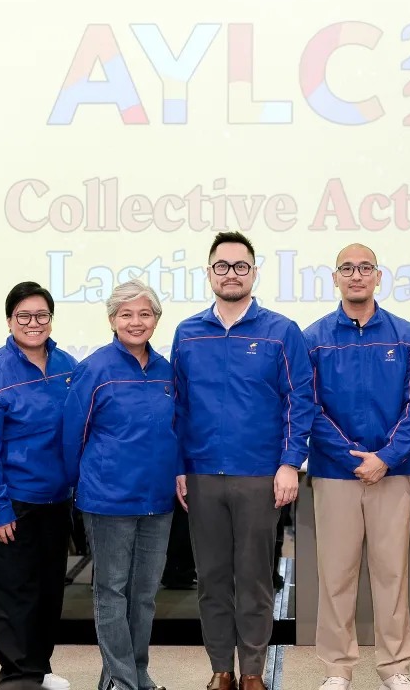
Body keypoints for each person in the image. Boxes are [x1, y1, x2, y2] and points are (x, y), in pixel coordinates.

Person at [172, 231, 314, 690]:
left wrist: (290, 462)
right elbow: (177, 405)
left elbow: (300, 401)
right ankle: (221, 670)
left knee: (254, 579)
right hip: (202, 475)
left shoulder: (281, 331)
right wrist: (179, 467)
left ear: (254, 272)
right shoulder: (187, 333)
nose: (231, 274)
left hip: (261, 476)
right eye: (222, 266)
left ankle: (252, 670)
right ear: (209, 272)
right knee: (212, 579)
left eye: (240, 266)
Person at [304, 243, 410, 690]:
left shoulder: (406, 334)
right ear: (335, 276)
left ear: (379, 276)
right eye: (347, 268)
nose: (356, 275)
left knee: (391, 573)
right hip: (335, 472)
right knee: (336, 573)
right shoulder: (314, 337)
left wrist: (386, 456)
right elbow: (308, 405)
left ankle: (394, 668)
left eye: (365, 268)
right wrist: (351, 457)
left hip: (393, 472)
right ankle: (338, 670)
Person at [62, 279, 178, 690]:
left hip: (157, 500)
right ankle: (126, 682)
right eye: (126, 314)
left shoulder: (167, 371)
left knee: (144, 595)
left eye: (145, 313)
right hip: (108, 499)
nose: (136, 321)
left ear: (156, 319)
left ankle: (133, 674)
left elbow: (178, 430)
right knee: (111, 592)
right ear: (112, 319)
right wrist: (81, 488)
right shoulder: (94, 369)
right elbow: (72, 435)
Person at [0, 281, 77, 690]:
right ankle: (17, 675)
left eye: (42, 316)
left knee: (49, 591)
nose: (34, 324)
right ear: (10, 320)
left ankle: (39, 667)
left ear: (51, 319)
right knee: (13, 592)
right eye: (24, 316)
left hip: (57, 499)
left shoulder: (68, 365)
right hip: (13, 502)